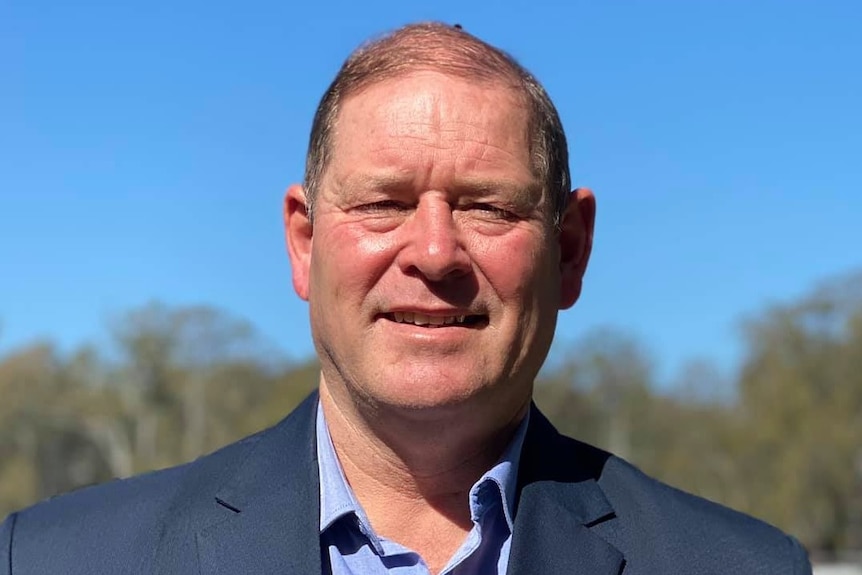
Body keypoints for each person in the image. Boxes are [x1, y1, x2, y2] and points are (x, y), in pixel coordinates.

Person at [1, 22, 811, 575]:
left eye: (488, 205)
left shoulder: (739, 565)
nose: (433, 253)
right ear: (305, 242)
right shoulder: (56, 559)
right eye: (383, 201)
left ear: (569, 251)